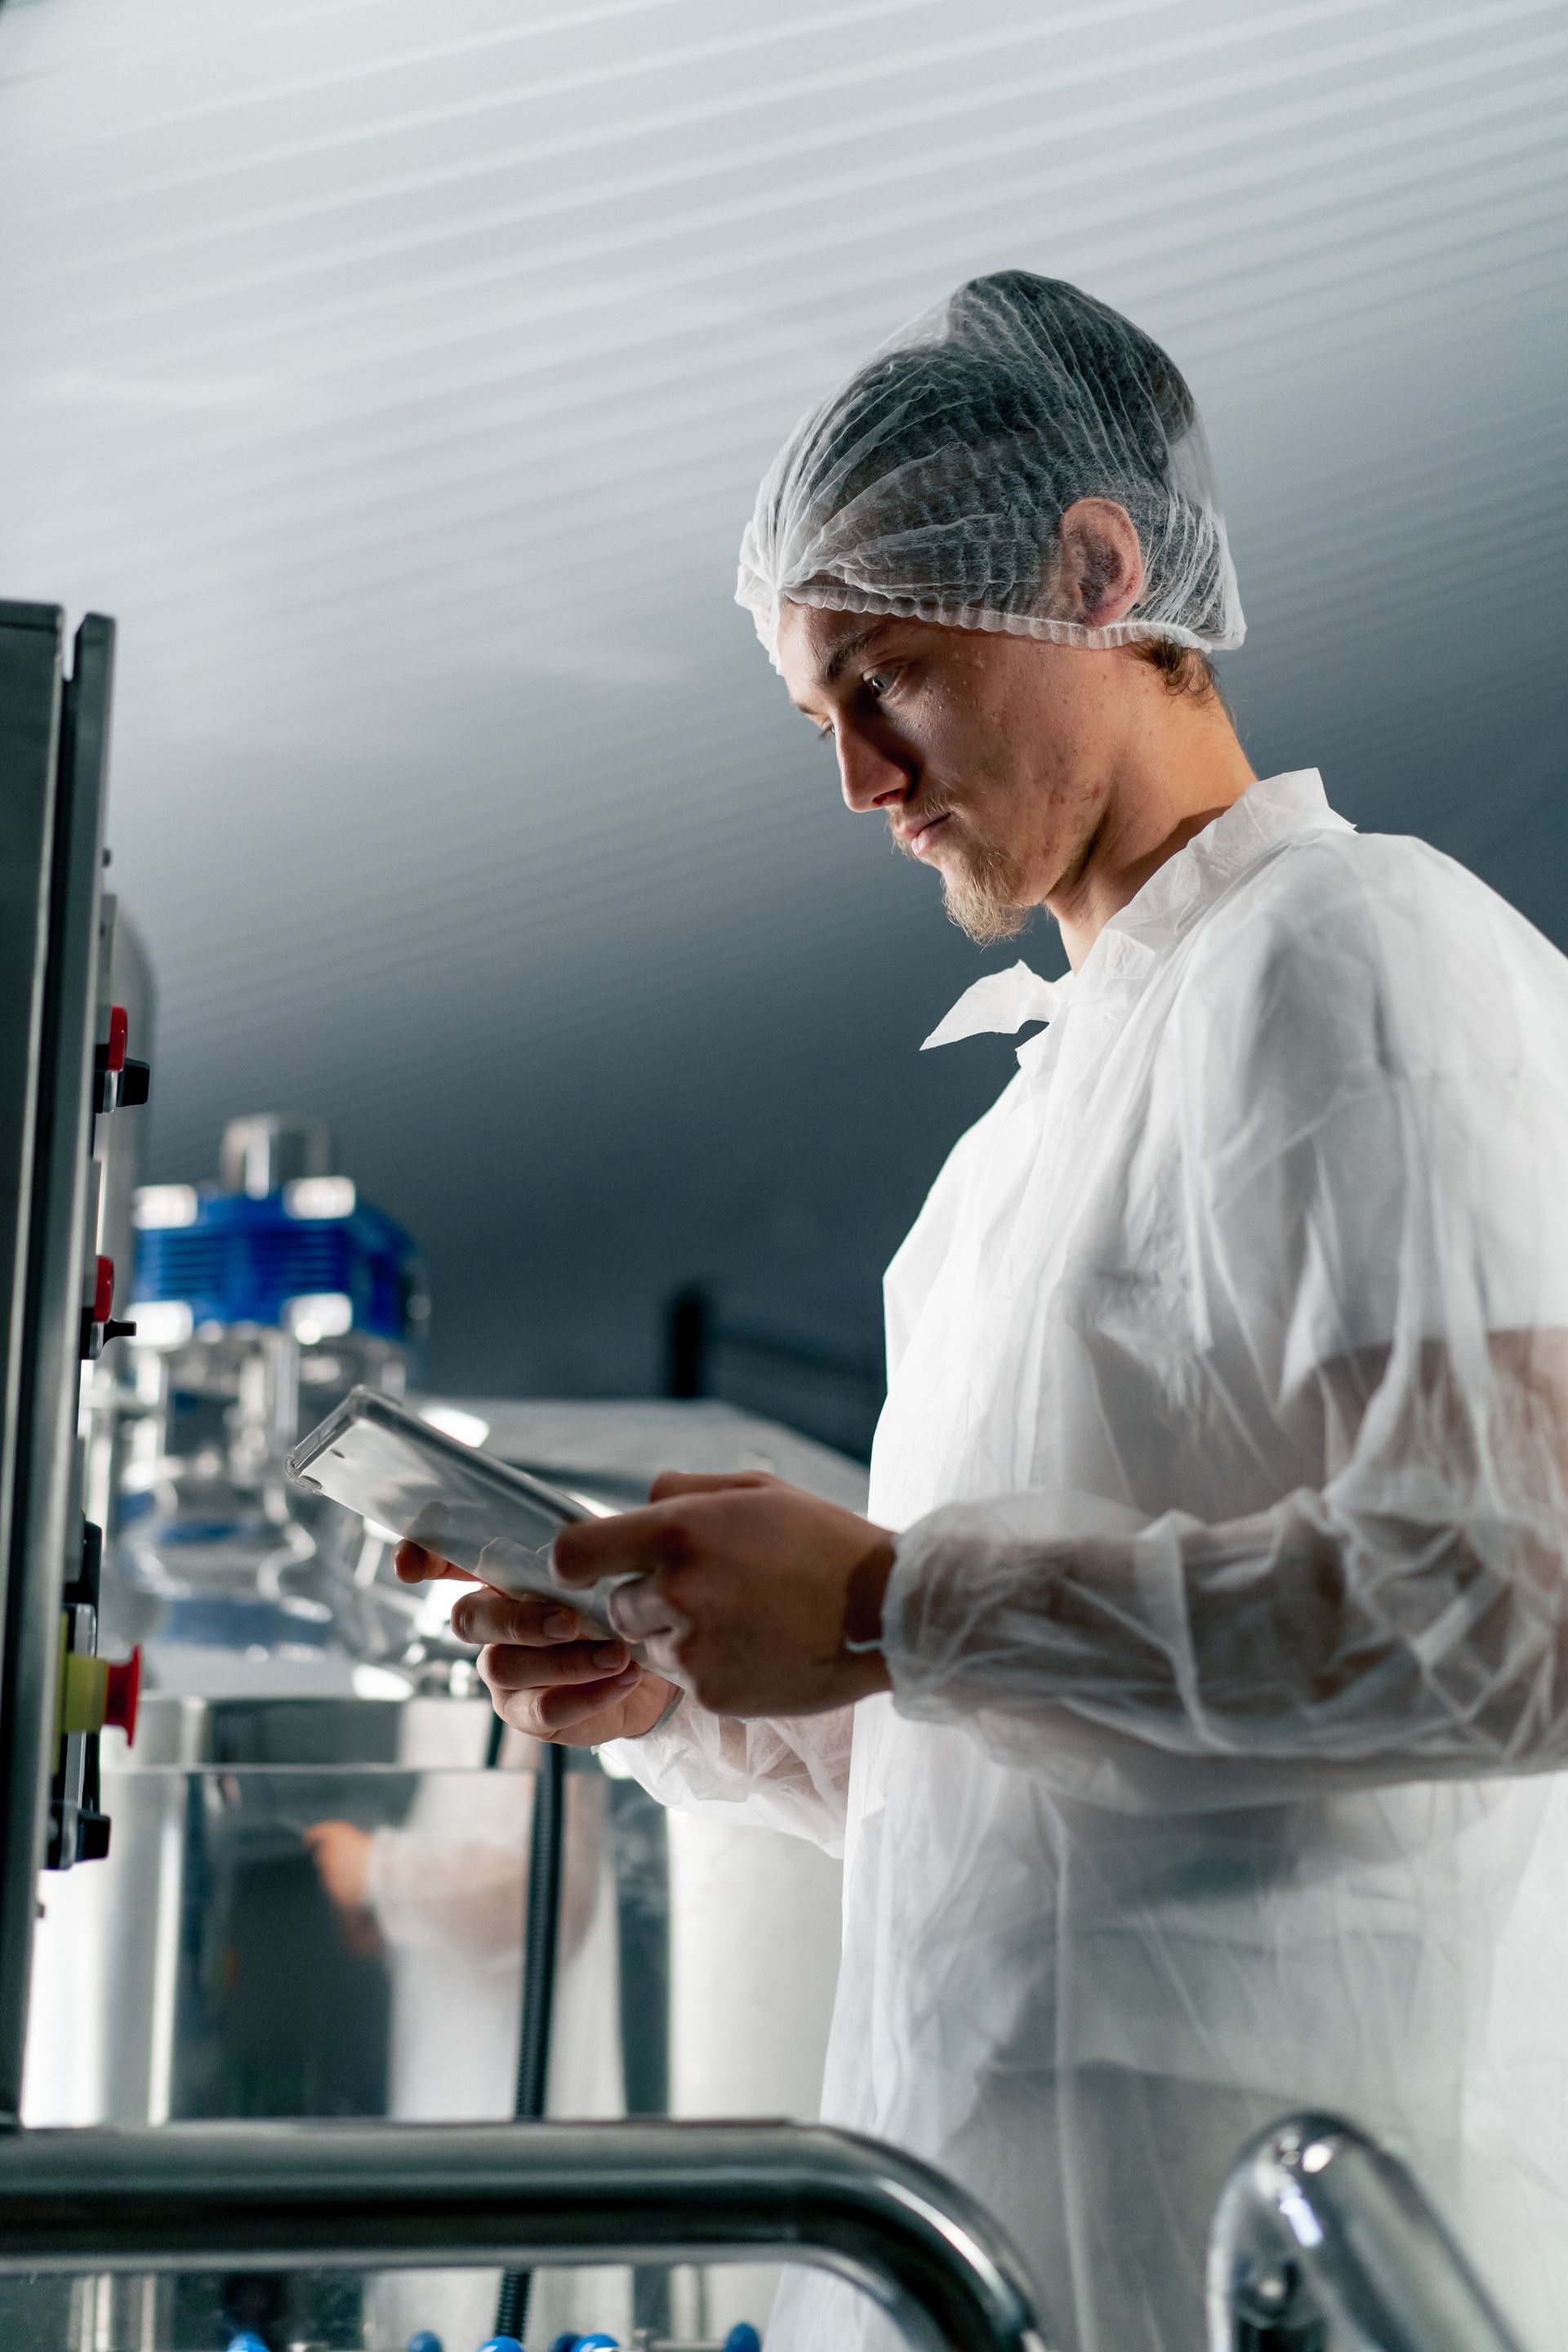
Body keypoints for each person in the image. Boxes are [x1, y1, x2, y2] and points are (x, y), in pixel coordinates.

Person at [400, 273, 1568, 2352]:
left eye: (892, 675)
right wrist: (696, 1687)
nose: (856, 777)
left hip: (1268, 2234)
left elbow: (1509, 1608)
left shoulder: (1358, 954)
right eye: (815, 715)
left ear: (1099, 574)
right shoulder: (1016, 1138)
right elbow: (1017, 1770)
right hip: (976, 2220)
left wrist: (881, 1606)